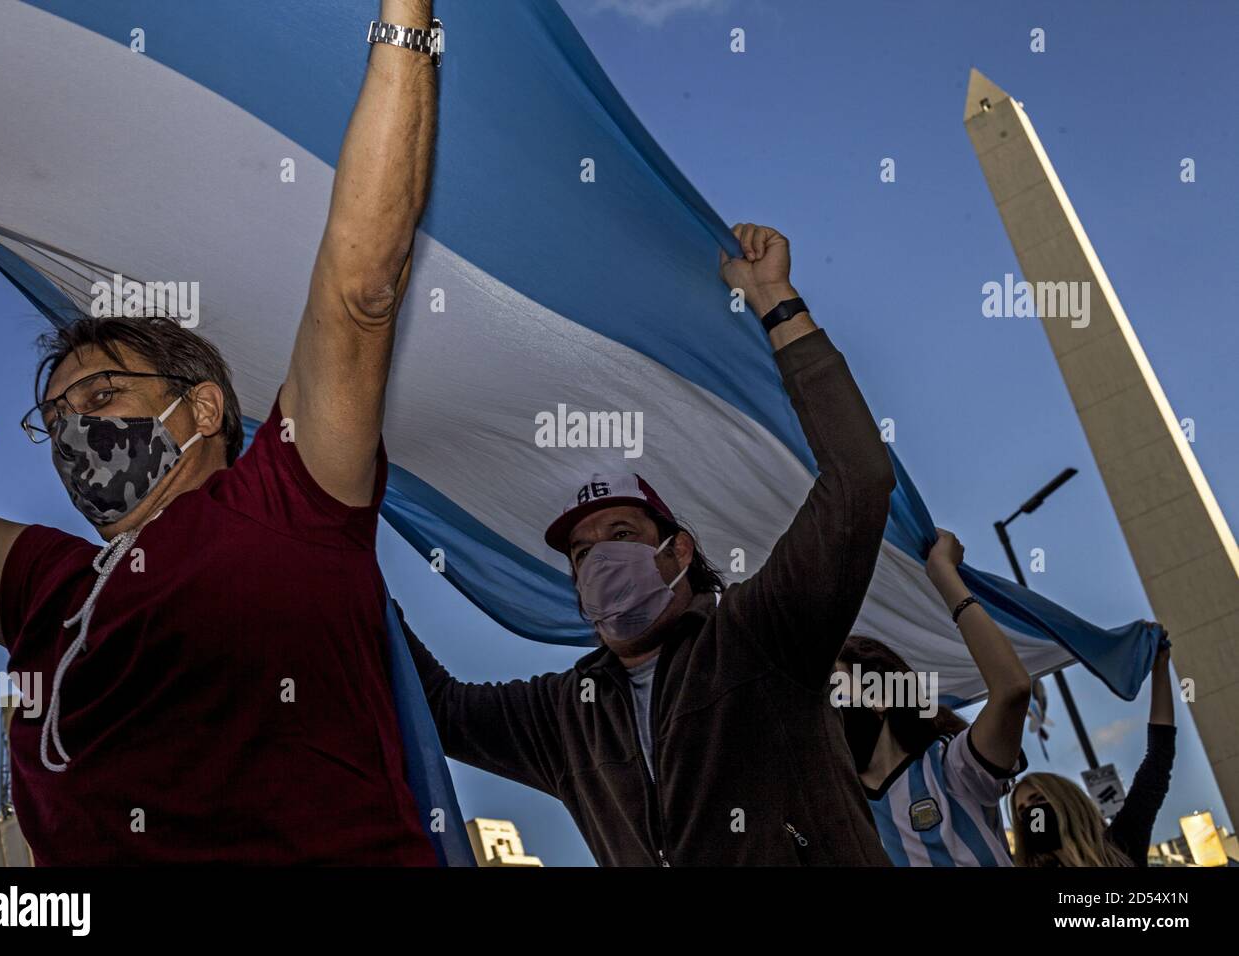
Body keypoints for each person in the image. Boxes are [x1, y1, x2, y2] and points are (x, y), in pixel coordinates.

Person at [0, 0, 443, 864]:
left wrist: (407, 18)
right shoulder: (46, 590)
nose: (72, 437)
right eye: (54, 420)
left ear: (203, 408)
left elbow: (362, 287)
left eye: (99, 399)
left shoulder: (288, 502)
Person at [405, 222, 898, 865]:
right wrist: (333, 528)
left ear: (679, 551)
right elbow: (436, 707)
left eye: (621, 535)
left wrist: (776, 302)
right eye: (582, 552)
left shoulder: (759, 634)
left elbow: (859, 480)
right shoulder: (564, 715)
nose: (601, 559)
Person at [834, 530, 1033, 866]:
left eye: (833, 689)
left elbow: (1012, 689)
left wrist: (943, 574)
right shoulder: (844, 814)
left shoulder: (950, 767)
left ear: (880, 697)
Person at [1010, 639, 1176, 867]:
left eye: (1038, 799)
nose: (1032, 812)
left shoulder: (1122, 843)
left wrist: (1160, 667)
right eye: (1022, 811)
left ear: (1065, 799)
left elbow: (1158, 759)